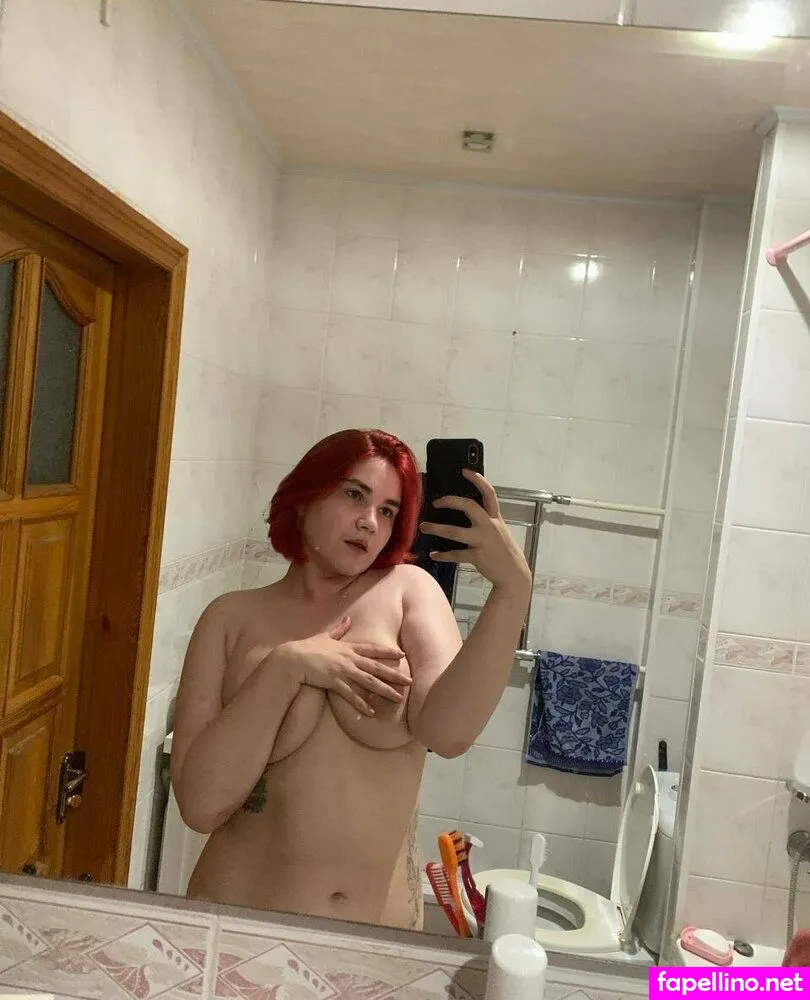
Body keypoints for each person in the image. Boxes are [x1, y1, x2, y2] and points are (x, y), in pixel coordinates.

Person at [170, 429, 531, 930]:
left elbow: (450, 735)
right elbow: (199, 806)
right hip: (237, 929)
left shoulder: (408, 591)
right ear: (304, 497)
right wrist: (286, 666)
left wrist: (513, 590)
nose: (369, 522)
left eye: (388, 510)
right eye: (354, 495)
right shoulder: (229, 618)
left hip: (375, 938)